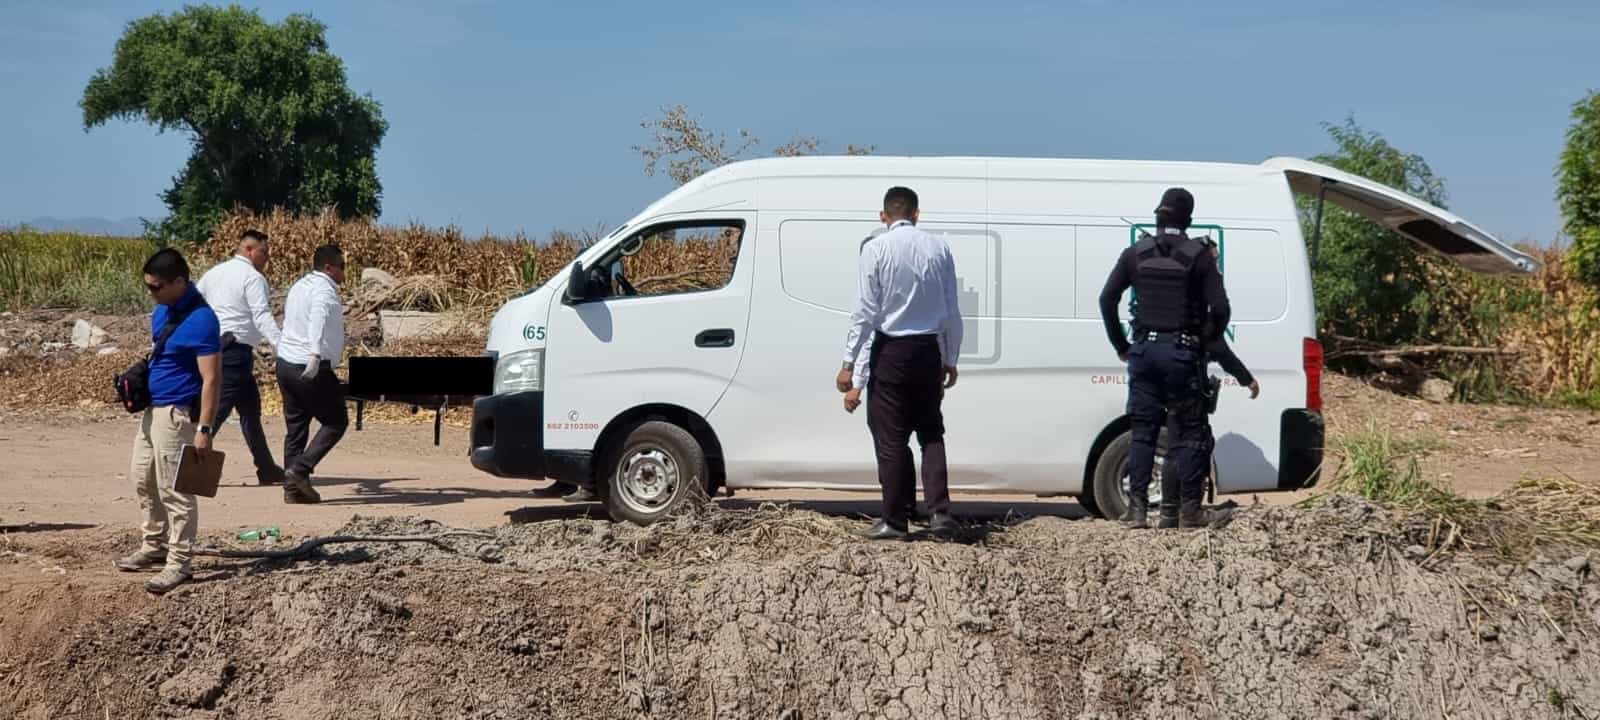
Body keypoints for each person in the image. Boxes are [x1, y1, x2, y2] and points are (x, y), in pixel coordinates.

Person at [1098, 187, 1230, 530]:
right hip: (1181, 354)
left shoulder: (1135, 254)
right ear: (1188, 219)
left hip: (1142, 352)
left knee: (1143, 432)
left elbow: (1107, 299)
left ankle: (1137, 510)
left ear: (1158, 216)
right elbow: (1221, 308)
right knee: (1186, 433)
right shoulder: (1200, 256)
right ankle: (1189, 511)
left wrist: (1120, 344)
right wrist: (1204, 339)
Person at [838, 186, 963, 540]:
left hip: (890, 351)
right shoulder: (939, 247)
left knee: (890, 438)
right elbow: (952, 309)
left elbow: (864, 312)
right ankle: (940, 514)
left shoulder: (875, 249)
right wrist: (950, 357)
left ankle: (894, 520)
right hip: (928, 350)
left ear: (883, 216)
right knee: (930, 432)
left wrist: (849, 363)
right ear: (917, 213)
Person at [115, 248, 222, 594]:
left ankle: (179, 562)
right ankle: (154, 544)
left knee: (175, 490)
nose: (152, 294)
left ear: (180, 281)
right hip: (153, 411)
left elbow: (211, 379)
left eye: (157, 287)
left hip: (177, 415)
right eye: (149, 287)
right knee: (142, 478)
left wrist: (204, 429)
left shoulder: (203, 320)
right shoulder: (163, 312)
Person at [195, 228, 285, 485]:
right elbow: (262, 315)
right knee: (216, 413)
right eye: (263, 252)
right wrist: (282, 345)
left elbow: (195, 305)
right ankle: (192, 467)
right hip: (235, 351)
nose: (267, 258)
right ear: (248, 250)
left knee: (250, 413)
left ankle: (266, 468)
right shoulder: (252, 277)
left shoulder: (214, 273)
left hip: (219, 347)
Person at [275, 244, 349, 504]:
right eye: (342, 266)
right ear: (328, 268)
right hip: (309, 365)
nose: (344, 272)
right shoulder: (324, 290)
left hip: (285, 363)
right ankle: (300, 471)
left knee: (296, 427)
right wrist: (315, 354)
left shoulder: (300, 286)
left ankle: (292, 490)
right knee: (336, 421)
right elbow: (317, 318)